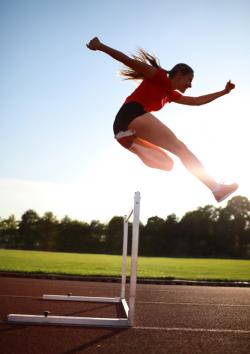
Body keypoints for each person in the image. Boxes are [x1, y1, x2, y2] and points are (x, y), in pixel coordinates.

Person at [86, 37, 238, 202]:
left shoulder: (170, 94)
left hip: (125, 126)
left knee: (167, 164)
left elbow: (196, 101)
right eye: (189, 80)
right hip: (131, 114)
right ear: (179, 75)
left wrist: (224, 92)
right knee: (181, 149)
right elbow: (127, 60)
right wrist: (100, 46)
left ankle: (130, 140)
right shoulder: (158, 76)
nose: (190, 85)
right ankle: (216, 188)